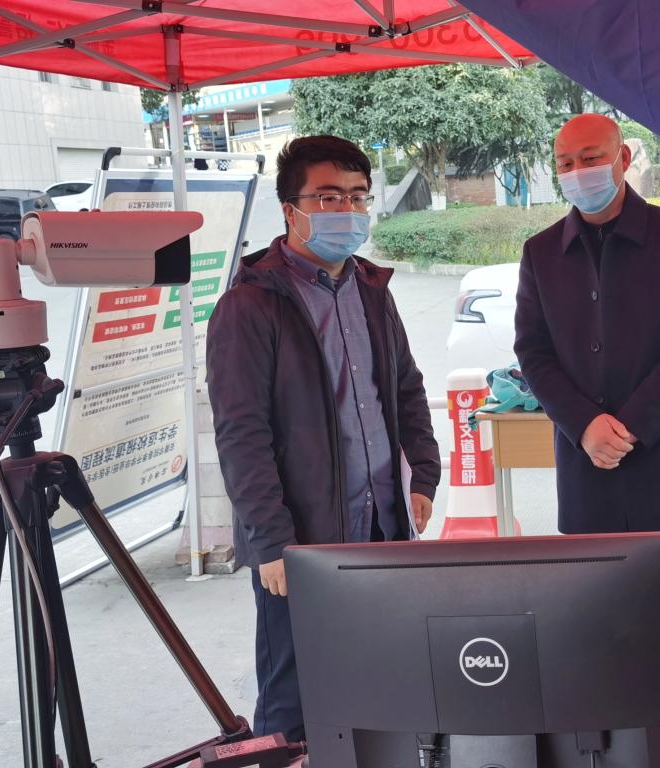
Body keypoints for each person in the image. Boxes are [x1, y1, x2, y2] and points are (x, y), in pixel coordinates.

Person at [205, 135, 441, 743]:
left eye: (358, 197)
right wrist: (271, 541)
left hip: (383, 525)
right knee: (295, 701)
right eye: (329, 197)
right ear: (291, 210)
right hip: (302, 539)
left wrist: (423, 473)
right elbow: (241, 435)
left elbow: (406, 388)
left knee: (384, 682)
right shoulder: (250, 307)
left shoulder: (372, 289)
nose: (347, 210)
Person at [513, 114, 660, 743]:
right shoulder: (540, 252)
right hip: (589, 464)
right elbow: (533, 353)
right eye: (565, 163)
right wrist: (585, 425)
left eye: (591, 158)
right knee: (601, 607)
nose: (578, 172)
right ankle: (611, 735)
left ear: (623, 158)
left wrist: (630, 424)